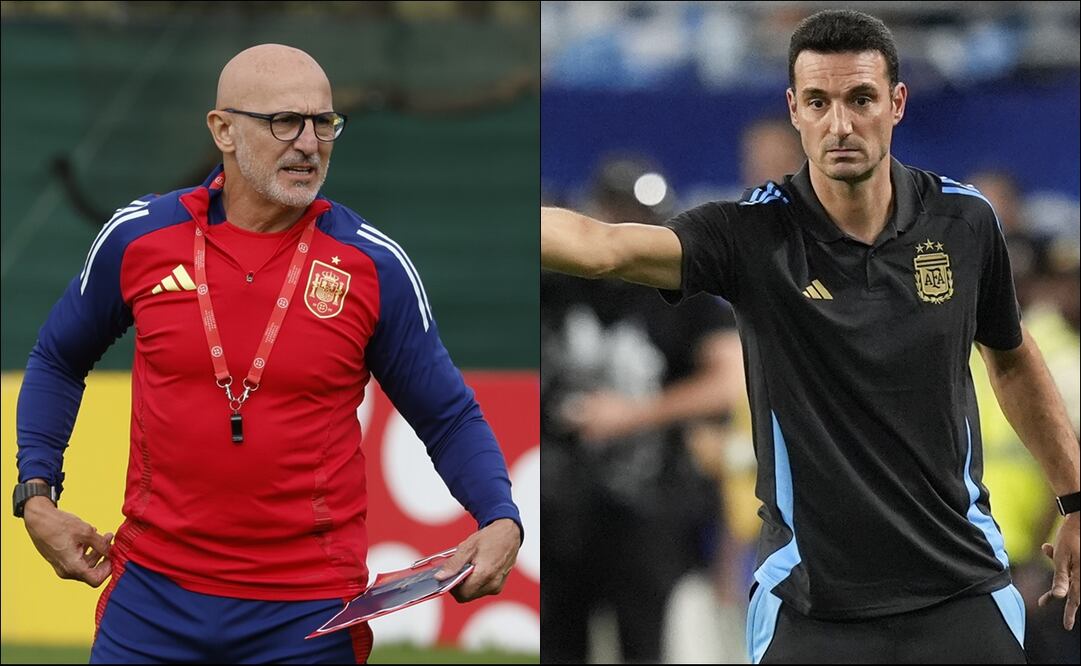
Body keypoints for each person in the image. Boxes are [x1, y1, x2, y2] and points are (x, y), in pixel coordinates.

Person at [541, 9, 1079, 664]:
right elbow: (602, 248)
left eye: (860, 99)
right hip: (810, 607)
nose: (839, 124)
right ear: (794, 109)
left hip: (961, 592)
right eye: (818, 102)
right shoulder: (749, 236)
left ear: (897, 103)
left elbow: (1013, 359)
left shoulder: (963, 222)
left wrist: (1073, 496)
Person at [14, 44, 523, 664]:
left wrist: (500, 517)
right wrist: (36, 494)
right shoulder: (140, 237)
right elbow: (57, 359)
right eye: (285, 121)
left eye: (324, 123)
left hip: (308, 618)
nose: (309, 142)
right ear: (222, 130)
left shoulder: (373, 266)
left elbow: (448, 416)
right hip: (151, 601)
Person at [541, 156, 744, 663]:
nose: (633, 228)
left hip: (646, 509)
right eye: (623, 211)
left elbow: (729, 380)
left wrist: (634, 415)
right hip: (556, 503)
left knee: (645, 647)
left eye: (646, 217)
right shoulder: (553, 287)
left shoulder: (682, 297)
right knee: (556, 645)